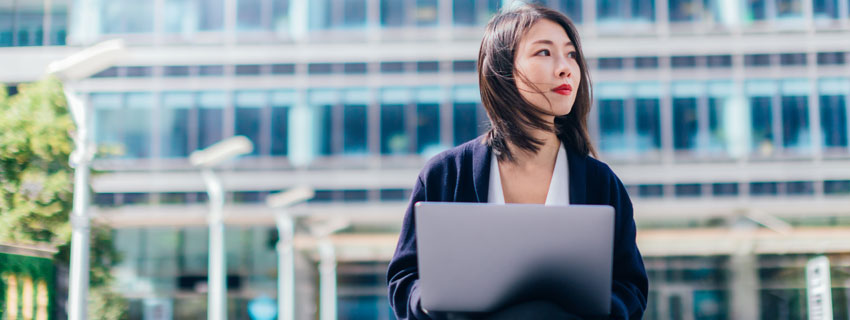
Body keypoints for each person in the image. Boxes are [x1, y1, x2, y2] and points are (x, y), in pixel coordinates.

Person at [387, 3, 648, 319]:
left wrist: (601, 309)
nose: (565, 67)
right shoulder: (445, 174)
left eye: (571, 55)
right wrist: (430, 301)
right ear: (503, 69)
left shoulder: (601, 182)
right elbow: (404, 279)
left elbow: (631, 286)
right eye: (544, 53)